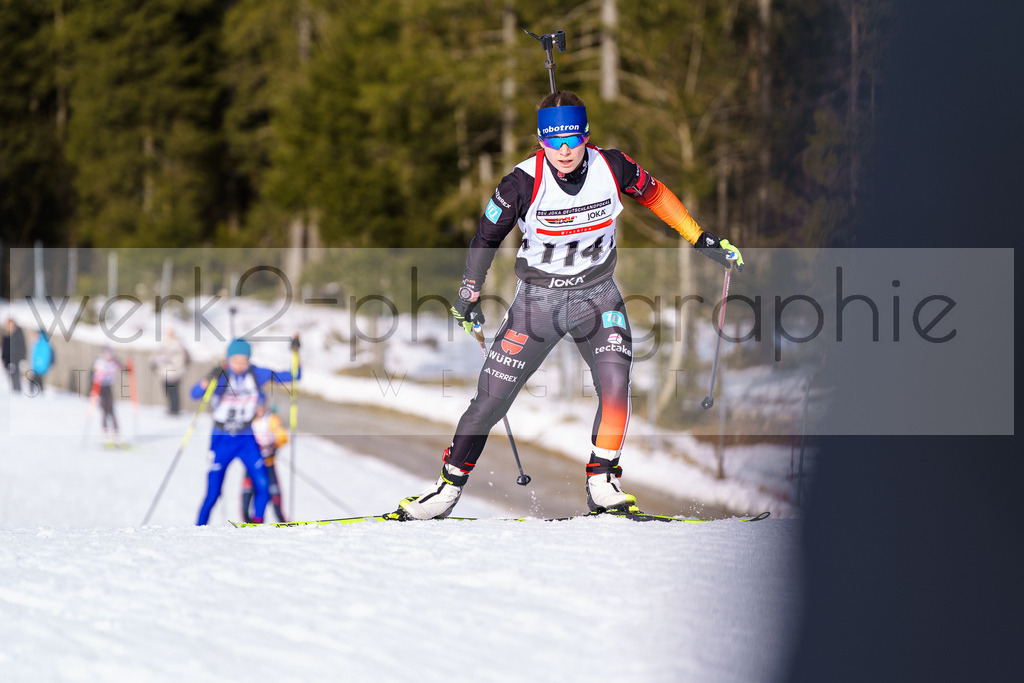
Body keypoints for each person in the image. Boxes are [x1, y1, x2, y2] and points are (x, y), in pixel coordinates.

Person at [394, 91, 744, 520]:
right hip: (539, 301)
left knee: (615, 385)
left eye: (572, 140)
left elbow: (657, 196)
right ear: (541, 141)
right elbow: (485, 239)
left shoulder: (612, 167)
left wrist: (701, 238)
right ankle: (446, 490)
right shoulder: (520, 183)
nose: (564, 150)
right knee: (491, 398)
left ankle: (603, 481)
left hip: (598, 295)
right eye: (553, 141)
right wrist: (468, 293)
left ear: (586, 137)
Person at [192, 337, 300, 526]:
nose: (240, 365)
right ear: (228, 360)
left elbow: (294, 376)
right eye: (235, 361)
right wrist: (208, 378)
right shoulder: (221, 376)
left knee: (263, 485)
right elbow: (194, 394)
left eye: (244, 361)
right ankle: (199, 528)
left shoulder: (256, 374)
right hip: (222, 439)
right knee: (213, 493)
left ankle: (257, 524)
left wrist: (295, 353)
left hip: (246, 439)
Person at [242, 403, 289, 523]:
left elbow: (282, 436)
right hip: (252, 466)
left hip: (268, 464)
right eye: (257, 407)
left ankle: (282, 522)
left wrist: (273, 446)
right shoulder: (248, 420)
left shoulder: (271, 419)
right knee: (247, 496)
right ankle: (250, 522)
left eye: (262, 406)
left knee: (274, 495)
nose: (260, 410)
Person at [90, 346, 125, 447]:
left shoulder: (115, 363)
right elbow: (93, 373)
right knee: (104, 410)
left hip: (109, 387)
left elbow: (125, 368)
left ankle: (116, 433)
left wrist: (128, 366)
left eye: (110, 354)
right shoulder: (99, 362)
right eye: (107, 354)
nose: (109, 357)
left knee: (112, 410)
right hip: (100, 387)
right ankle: (106, 433)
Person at [151, 328, 190, 415]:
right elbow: (156, 355)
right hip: (164, 372)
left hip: (175, 373)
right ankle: (170, 408)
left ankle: (175, 410)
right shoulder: (163, 343)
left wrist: (171, 362)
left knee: (174, 392)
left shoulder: (178, 344)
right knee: (167, 392)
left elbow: (181, 358)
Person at [26, 329, 55, 395]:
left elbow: (46, 356)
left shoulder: (44, 343)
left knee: (33, 381)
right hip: (37, 366)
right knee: (39, 382)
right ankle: (41, 394)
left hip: (40, 366)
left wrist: (42, 365)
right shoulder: (38, 343)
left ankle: (32, 395)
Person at [2, 318, 27, 393]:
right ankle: (14, 392)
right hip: (8, 360)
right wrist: (4, 359)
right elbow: (5, 349)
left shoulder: (18, 334)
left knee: (16, 378)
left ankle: (18, 393)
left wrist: (23, 359)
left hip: (16, 360)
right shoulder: (6, 335)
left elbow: (22, 347)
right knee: (11, 378)